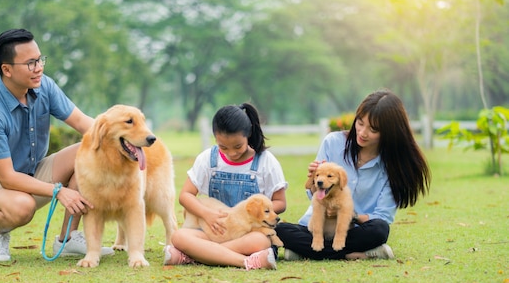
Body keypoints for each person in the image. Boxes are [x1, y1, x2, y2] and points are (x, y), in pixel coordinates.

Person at [0, 28, 113, 261]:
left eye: (40, 59)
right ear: (6, 69)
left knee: (92, 149)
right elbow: (8, 178)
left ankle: (67, 239)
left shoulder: (44, 86)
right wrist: (59, 191)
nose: (39, 68)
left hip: (32, 173)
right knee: (23, 206)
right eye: (30, 63)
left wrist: (125, 140)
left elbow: (83, 122)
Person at [276, 89, 431, 260]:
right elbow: (313, 194)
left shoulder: (393, 167)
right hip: (318, 226)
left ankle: (308, 252)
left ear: (389, 132)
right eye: (360, 122)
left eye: (373, 129)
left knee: (380, 230)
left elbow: (382, 216)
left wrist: (350, 215)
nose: (363, 132)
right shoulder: (333, 143)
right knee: (281, 230)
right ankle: (357, 254)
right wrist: (314, 181)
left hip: (354, 230)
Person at [164, 103, 288, 270]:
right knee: (179, 237)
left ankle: (197, 255)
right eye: (223, 147)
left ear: (248, 134)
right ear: (215, 138)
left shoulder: (266, 161)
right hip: (214, 233)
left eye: (238, 146)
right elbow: (185, 195)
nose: (231, 153)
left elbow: (280, 202)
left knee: (260, 241)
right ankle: (248, 261)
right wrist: (207, 214)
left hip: (248, 234)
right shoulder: (208, 159)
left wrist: (254, 212)